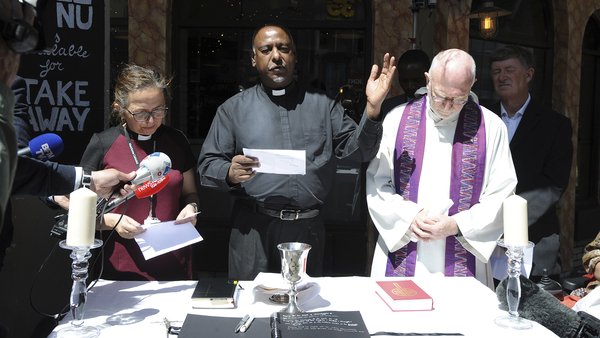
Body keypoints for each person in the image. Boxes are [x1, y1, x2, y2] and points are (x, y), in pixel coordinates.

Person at [197, 22, 395, 280]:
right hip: (253, 230)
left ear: (295, 56)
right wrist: (229, 172)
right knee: (250, 305)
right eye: (266, 49)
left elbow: (360, 151)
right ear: (253, 58)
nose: (276, 56)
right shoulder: (233, 109)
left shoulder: (323, 105)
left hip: (306, 229)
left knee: (302, 305)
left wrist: (372, 110)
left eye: (284, 48)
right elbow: (207, 166)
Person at [366, 48, 517, 288]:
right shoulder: (397, 118)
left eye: (458, 99)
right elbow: (378, 182)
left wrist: (458, 225)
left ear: (473, 84)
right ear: (428, 80)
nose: (447, 106)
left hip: (463, 251)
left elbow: (502, 193)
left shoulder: (491, 127)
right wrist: (408, 217)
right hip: (404, 243)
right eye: (439, 96)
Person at [78, 64, 200, 281]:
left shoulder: (177, 141)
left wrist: (192, 208)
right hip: (121, 264)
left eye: (158, 111)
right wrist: (111, 222)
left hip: (174, 258)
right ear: (120, 109)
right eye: (141, 113)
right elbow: (79, 212)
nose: (151, 121)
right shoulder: (102, 144)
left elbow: (190, 193)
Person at [489, 45, 573, 282]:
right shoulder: (480, 119)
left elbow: (553, 184)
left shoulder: (555, 125)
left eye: (509, 70)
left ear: (528, 74)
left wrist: (508, 222)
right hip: (484, 239)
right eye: (496, 71)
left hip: (535, 239)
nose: (501, 77)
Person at [380, 49, 430, 118]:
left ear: (428, 77)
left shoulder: (442, 108)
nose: (410, 86)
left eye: (417, 80)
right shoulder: (387, 108)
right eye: (404, 80)